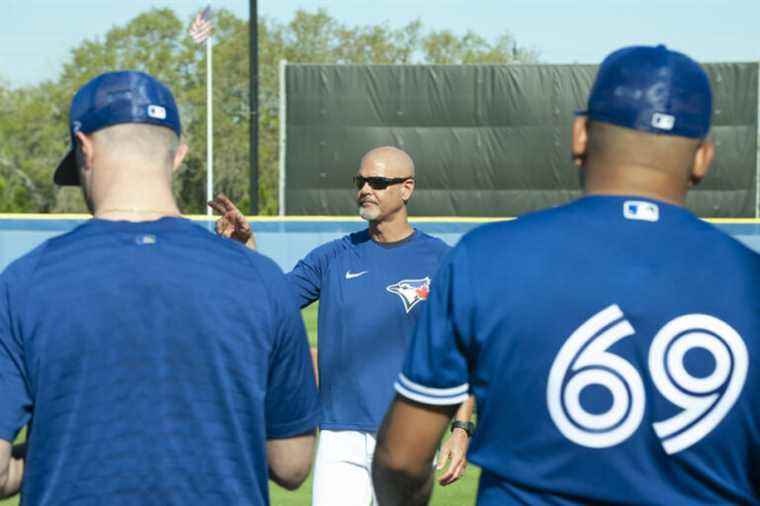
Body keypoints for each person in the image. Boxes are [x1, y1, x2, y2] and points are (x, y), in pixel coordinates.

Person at [373, 44, 760, 505]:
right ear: (703, 157)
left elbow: (401, 458)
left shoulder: (487, 257)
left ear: (580, 134)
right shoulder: (750, 282)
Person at [0, 71, 320, 505]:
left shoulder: (23, 282)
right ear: (179, 156)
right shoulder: (261, 279)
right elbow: (292, 462)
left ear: (84, 149)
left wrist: (53, 451)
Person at [210, 146, 475, 505]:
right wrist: (245, 251)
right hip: (338, 434)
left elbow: (464, 350)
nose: (365, 189)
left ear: (406, 188)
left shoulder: (442, 260)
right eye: (361, 181)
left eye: (378, 182)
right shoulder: (332, 257)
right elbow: (267, 303)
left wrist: (460, 428)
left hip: (408, 434)